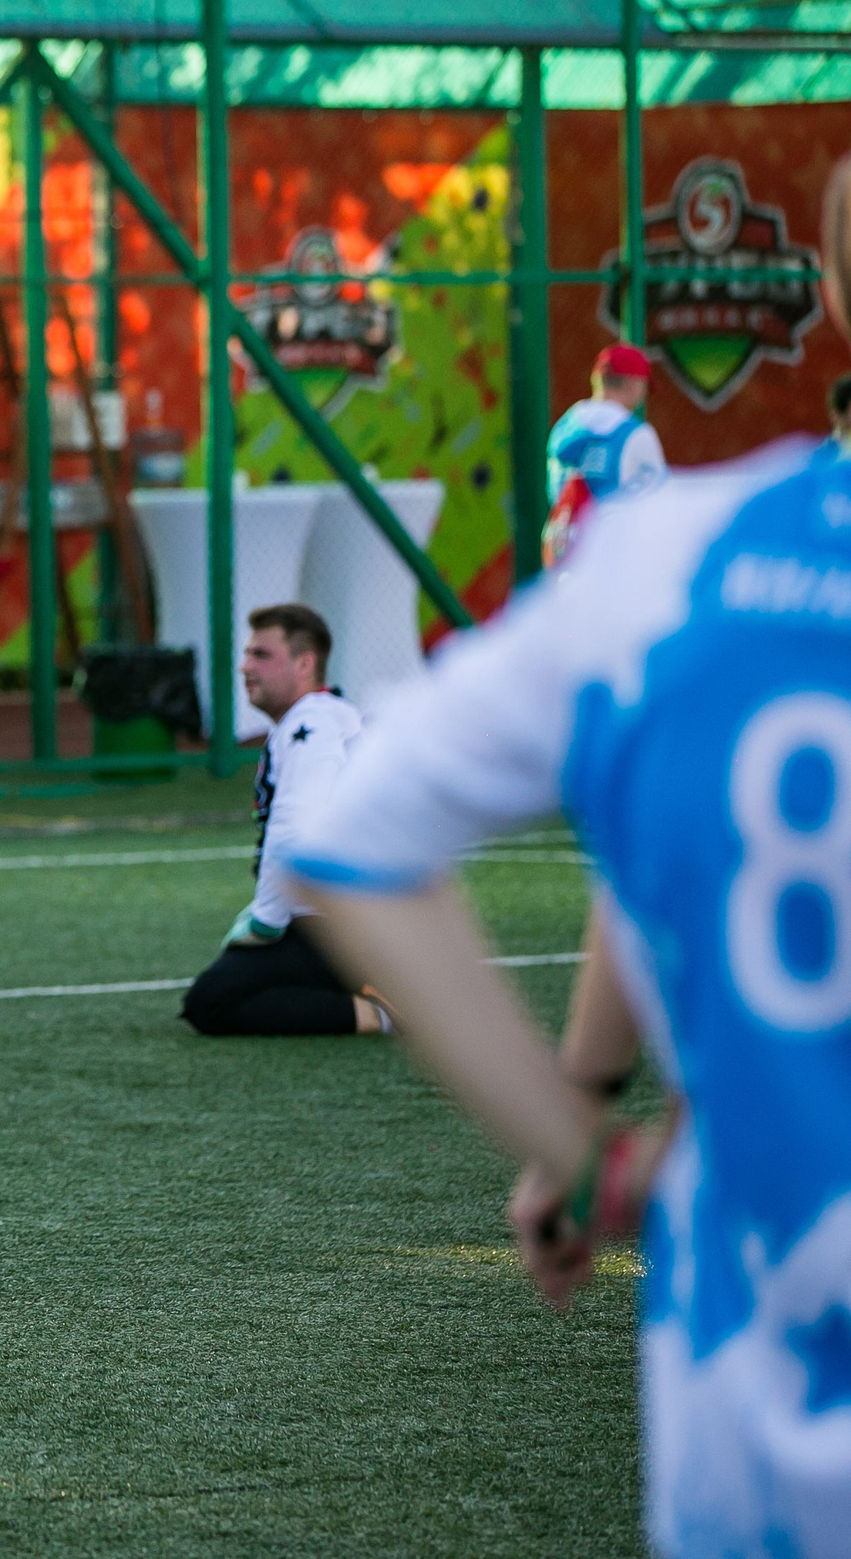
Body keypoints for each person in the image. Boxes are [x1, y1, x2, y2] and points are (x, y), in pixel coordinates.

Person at [289, 150, 851, 1558]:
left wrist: (582, 1136)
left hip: (764, 1433)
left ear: (833, 292)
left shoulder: (674, 561)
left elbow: (354, 845)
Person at [180, 604, 389, 1037]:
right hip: (358, 917)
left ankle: (382, 1012)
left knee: (212, 1001)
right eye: (247, 654)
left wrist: (266, 921)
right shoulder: (325, 716)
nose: (245, 667)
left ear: (304, 663)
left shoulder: (311, 723)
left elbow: (294, 826)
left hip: (343, 924)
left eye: (261, 655)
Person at [545, 342, 668, 566]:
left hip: (561, 551)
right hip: (615, 559)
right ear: (633, 384)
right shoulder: (636, 434)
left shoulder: (564, 427)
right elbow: (658, 504)